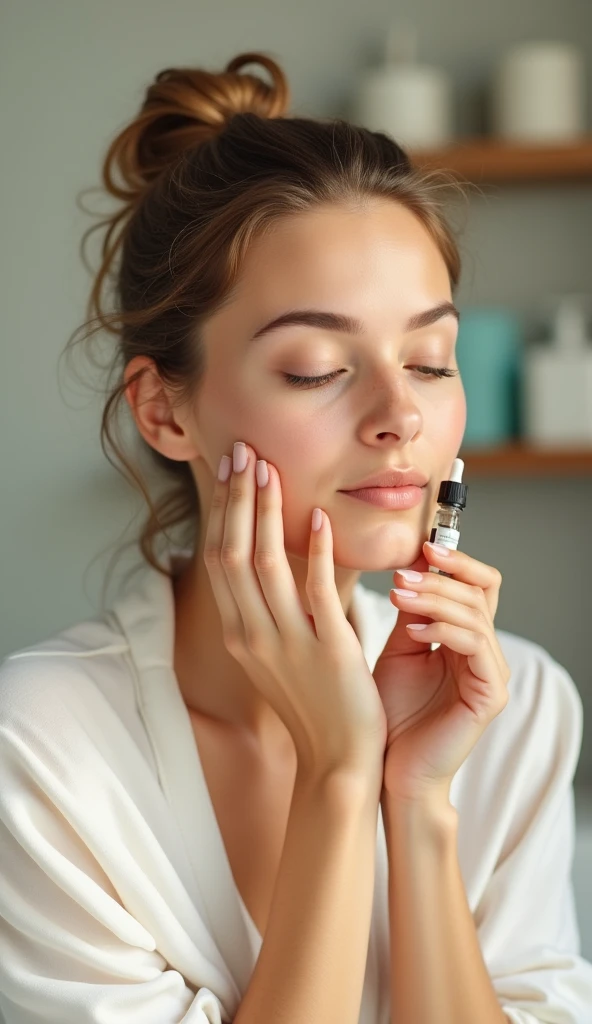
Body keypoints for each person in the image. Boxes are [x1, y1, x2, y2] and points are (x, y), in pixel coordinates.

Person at [0, 51, 590, 1024]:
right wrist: (338, 769)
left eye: (431, 359)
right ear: (164, 411)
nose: (401, 414)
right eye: (317, 367)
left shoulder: (511, 710)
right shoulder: (46, 752)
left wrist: (418, 801)